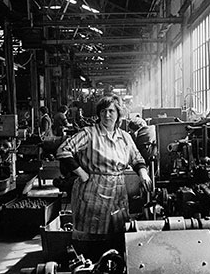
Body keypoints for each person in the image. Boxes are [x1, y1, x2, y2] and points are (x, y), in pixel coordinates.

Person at [56, 95, 152, 259]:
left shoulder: (125, 137)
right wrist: (82, 173)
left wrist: (143, 174)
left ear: (118, 114)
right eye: (103, 111)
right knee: (93, 236)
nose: (107, 115)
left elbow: (137, 159)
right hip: (93, 191)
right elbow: (63, 150)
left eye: (111, 111)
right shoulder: (89, 134)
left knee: (117, 234)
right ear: (98, 114)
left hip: (118, 191)